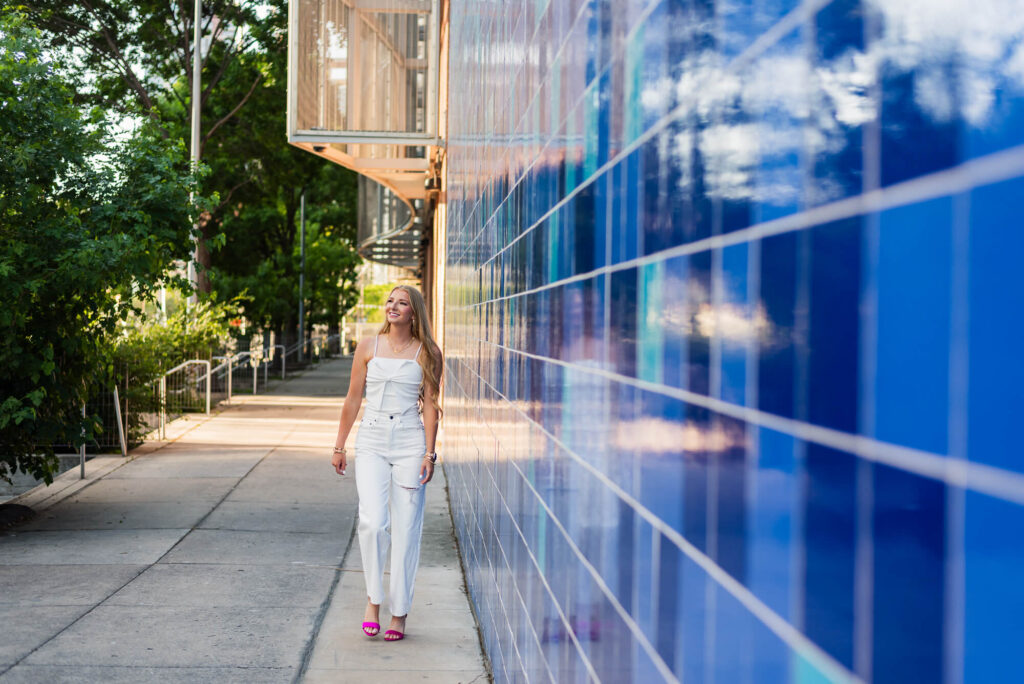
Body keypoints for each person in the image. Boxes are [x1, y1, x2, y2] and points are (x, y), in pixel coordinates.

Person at [331, 284, 444, 642]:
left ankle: (399, 613)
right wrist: (339, 446)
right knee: (373, 522)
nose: (393, 306)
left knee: (407, 527)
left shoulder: (428, 352)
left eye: (402, 303)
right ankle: (373, 601)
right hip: (373, 438)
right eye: (390, 301)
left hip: (411, 441)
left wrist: (429, 452)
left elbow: (430, 406)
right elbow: (352, 398)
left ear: (415, 312)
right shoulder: (368, 346)